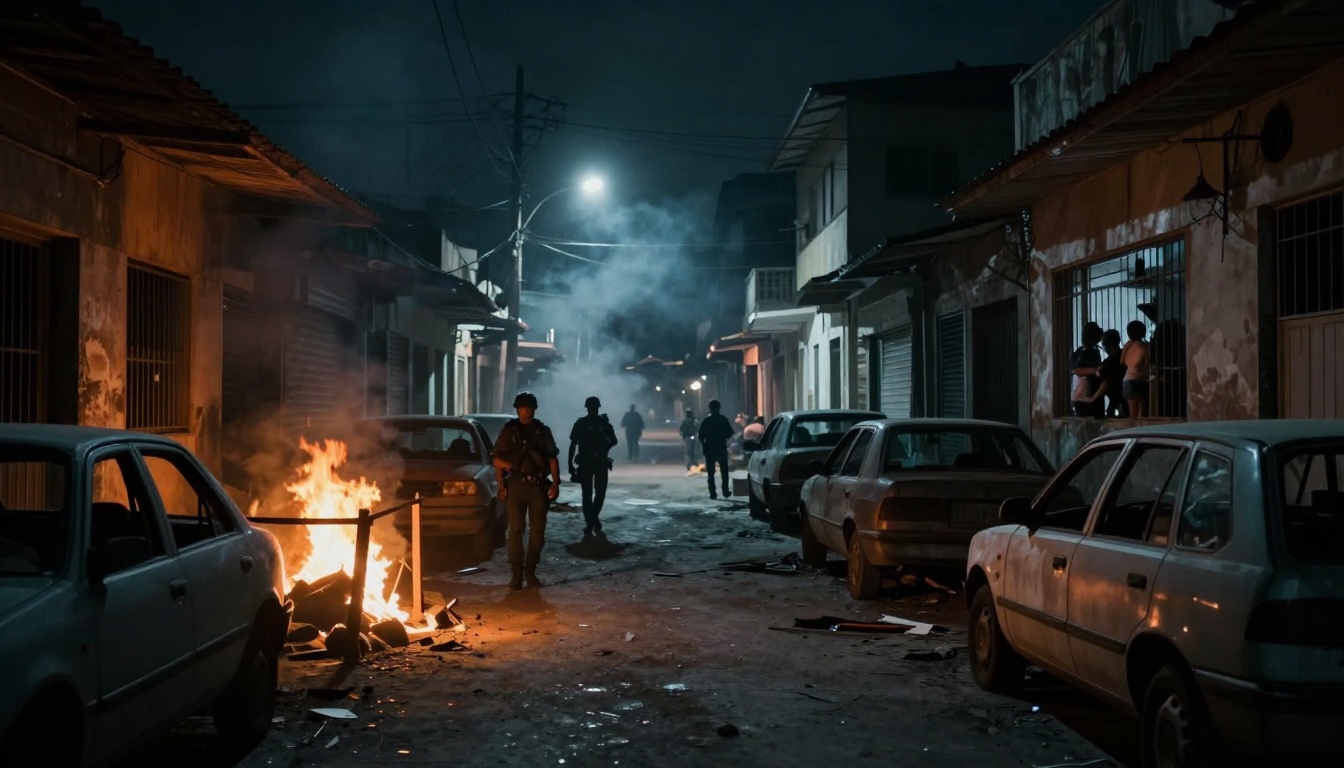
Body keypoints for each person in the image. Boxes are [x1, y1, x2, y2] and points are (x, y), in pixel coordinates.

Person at [491, 391, 561, 591]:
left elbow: (552, 458)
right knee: (515, 530)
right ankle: (516, 573)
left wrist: (555, 483)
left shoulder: (542, 431)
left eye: (528, 408)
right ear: (517, 409)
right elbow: (496, 460)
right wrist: (502, 486)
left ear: (534, 409)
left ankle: (531, 571)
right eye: (522, 408)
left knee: (537, 531)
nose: (525, 411)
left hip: (537, 486)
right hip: (515, 486)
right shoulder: (509, 431)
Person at [569, 396, 619, 537]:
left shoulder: (592, 423)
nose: (592, 410)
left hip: (597, 462)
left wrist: (604, 450)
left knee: (595, 493)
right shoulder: (585, 423)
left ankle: (592, 519)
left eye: (593, 408)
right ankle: (591, 521)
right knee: (591, 494)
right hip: (590, 462)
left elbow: (614, 441)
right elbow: (573, 444)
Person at [697, 399, 735, 500]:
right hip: (721, 448)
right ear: (719, 408)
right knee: (724, 471)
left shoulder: (706, 420)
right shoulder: (723, 419)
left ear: (709, 408)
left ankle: (713, 492)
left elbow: (700, 436)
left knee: (710, 472)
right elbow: (730, 433)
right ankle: (725, 490)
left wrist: (704, 445)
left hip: (709, 448)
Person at [1069, 321, 1104, 418]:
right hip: (1089, 394)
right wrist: (1094, 370)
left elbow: (1073, 369)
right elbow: (1075, 370)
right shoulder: (1090, 352)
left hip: (1080, 395)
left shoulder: (1079, 351)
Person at [1122, 319, 1151, 419]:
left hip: (1127, 381)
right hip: (1140, 381)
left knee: (1133, 416)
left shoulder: (1127, 346)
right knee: (1142, 415)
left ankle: (1132, 433)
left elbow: (1122, 362)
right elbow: (1147, 364)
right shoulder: (1145, 347)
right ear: (1143, 332)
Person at [1099, 329, 1128, 418]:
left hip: (1117, 399)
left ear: (1105, 345)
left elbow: (1105, 384)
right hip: (1128, 396)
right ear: (1119, 341)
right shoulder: (1127, 356)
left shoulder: (1107, 363)